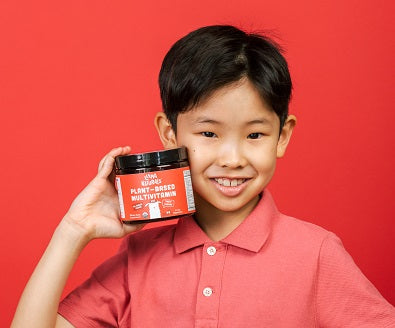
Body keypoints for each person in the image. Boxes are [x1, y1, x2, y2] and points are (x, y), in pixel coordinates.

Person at [11, 25, 395, 328]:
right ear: (169, 133)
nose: (232, 158)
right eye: (209, 134)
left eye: (255, 135)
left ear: (283, 135)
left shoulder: (317, 255)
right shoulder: (137, 258)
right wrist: (73, 230)